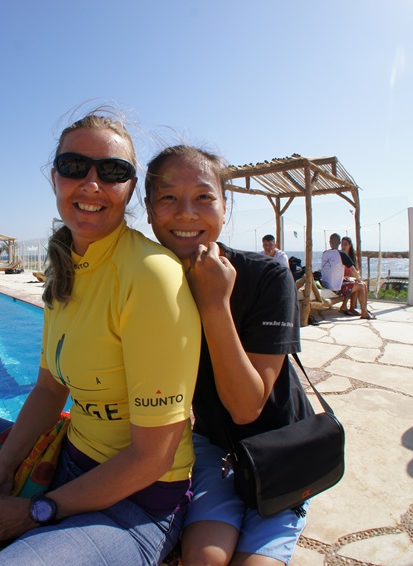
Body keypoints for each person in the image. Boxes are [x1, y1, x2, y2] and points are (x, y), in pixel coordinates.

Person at [0, 112, 202, 564]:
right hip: (67, 458)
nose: (91, 184)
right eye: (74, 167)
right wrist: (2, 470)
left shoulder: (150, 276)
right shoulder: (65, 270)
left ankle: (13, 536)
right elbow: (50, 390)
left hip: (134, 501)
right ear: (55, 178)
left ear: (130, 189)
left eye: (112, 171)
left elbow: (153, 458)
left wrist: (34, 512)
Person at [144, 145, 314, 566]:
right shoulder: (147, 283)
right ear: (148, 210)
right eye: (168, 198)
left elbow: (246, 407)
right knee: (204, 558)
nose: (187, 213)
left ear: (225, 206)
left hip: (281, 448)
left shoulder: (266, 275)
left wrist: (215, 303)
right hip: (214, 449)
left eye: (204, 197)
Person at [321, 233, 374, 319]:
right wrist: (359, 279)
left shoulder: (325, 253)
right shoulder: (341, 254)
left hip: (325, 284)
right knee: (360, 286)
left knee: (355, 283)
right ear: (339, 243)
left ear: (329, 242)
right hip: (335, 288)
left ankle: (348, 307)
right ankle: (364, 312)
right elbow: (353, 270)